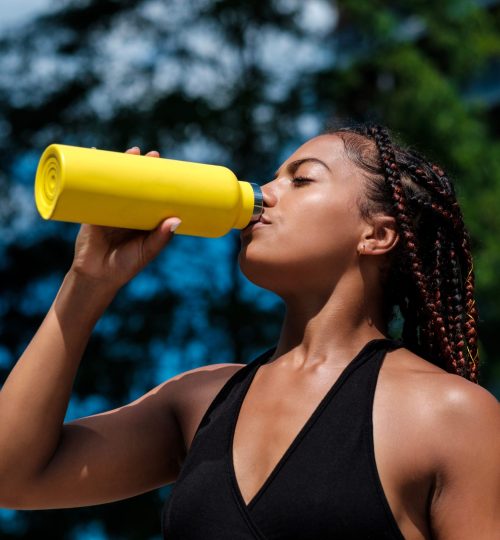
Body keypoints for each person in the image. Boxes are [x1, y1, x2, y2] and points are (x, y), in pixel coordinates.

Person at [0, 125, 498, 539]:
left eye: (301, 180)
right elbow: (13, 477)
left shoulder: (448, 415)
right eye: (271, 176)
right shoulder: (199, 402)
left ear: (377, 235)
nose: (265, 194)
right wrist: (87, 284)